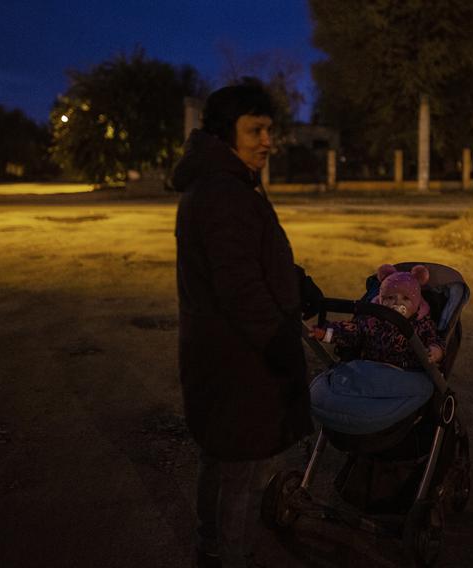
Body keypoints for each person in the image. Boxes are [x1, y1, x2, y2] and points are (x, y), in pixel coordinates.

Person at [172, 82, 323, 568]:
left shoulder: (222, 186)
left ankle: (209, 548)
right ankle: (227, 555)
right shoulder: (223, 192)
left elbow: (250, 260)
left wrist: (296, 283)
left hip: (219, 357)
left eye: (269, 130)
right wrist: (278, 341)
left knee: (219, 458)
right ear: (224, 133)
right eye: (255, 130)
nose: (266, 141)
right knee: (238, 470)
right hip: (239, 362)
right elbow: (239, 287)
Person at [310, 263, 443, 369]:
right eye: (390, 297)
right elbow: (352, 331)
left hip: (406, 372)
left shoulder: (422, 323)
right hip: (371, 368)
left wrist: (435, 351)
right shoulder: (372, 318)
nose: (397, 302)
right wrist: (326, 333)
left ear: (416, 302)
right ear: (381, 299)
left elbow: (435, 339)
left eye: (405, 298)